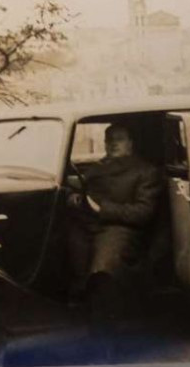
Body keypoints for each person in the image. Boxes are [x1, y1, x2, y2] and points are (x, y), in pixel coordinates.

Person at [65, 124, 164, 324]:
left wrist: (102, 209)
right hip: (87, 224)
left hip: (120, 228)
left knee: (103, 271)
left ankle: (107, 330)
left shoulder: (146, 171)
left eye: (119, 139)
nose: (112, 144)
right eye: (109, 139)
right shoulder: (99, 167)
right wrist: (75, 197)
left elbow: (143, 213)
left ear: (131, 143)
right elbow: (84, 187)